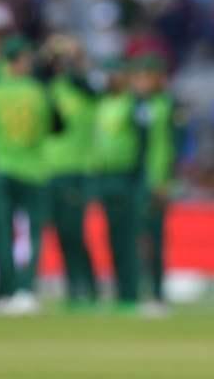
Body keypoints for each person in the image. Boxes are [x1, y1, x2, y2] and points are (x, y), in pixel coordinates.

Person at [0, 35, 51, 313]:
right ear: (19, 61)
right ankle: (25, 289)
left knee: (3, 233)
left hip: (1, 167)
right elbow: (45, 128)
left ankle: (6, 290)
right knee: (31, 233)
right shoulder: (36, 92)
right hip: (32, 170)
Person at [40, 34, 98, 308]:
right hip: (50, 170)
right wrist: (50, 54)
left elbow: (87, 85)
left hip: (77, 170)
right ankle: (75, 289)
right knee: (62, 233)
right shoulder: (50, 89)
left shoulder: (84, 89)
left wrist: (73, 57)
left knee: (74, 232)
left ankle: (87, 287)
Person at [86, 57, 143, 311]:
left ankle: (131, 293)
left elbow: (144, 144)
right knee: (111, 238)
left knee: (128, 238)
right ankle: (120, 293)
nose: (111, 79)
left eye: (116, 74)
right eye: (108, 75)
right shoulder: (101, 103)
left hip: (126, 177)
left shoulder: (134, 105)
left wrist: (140, 178)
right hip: (103, 176)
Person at [130, 54, 178, 311]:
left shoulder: (167, 106)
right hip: (136, 181)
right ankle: (139, 291)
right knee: (137, 239)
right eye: (140, 77)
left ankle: (156, 294)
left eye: (148, 76)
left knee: (154, 239)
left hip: (157, 180)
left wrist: (166, 180)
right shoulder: (136, 105)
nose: (143, 81)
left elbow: (173, 147)